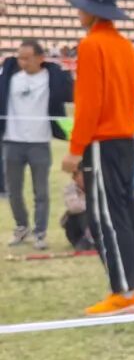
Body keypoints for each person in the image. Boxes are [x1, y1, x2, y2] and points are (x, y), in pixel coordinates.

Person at [57, 0, 134, 314]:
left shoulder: (91, 45)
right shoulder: (126, 46)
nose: (77, 11)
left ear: (91, 10)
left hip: (102, 140)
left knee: (105, 217)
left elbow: (89, 103)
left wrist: (75, 148)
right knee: (126, 210)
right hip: (125, 138)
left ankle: (124, 292)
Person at [0, 38, 73, 249]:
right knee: (13, 191)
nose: (22, 62)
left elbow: (69, 93)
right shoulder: (10, 78)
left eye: (27, 58)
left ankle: (40, 233)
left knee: (41, 192)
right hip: (12, 142)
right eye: (20, 58)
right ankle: (21, 226)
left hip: (39, 142)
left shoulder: (52, 78)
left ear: (40, 58)